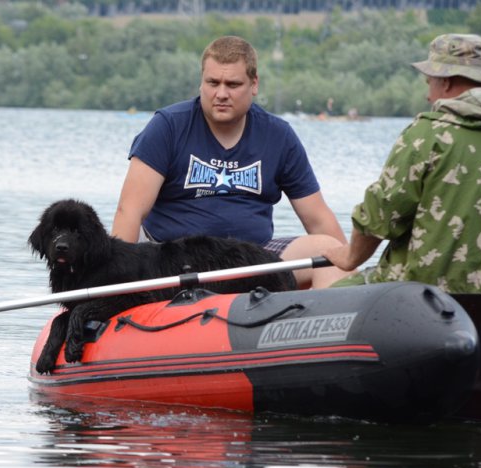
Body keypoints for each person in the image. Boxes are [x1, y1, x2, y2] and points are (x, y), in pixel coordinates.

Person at [111, 36, 349, 289]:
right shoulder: (167, 127)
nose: (221, 94)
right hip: (174, 261)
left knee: (330, 251)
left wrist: (351, 269)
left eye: (233, 84)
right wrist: (117, 284)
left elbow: (319, 220)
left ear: (254, 84)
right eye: (213, 83)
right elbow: (129, 211)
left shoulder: (279, 136)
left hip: (253, 258)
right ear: (201, 81)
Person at [324, 33, 481, 293]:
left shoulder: (427, 134)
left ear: (445, 83)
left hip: (421, 293)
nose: (428, 96)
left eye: (429, 83)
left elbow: (380, 215)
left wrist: (349, 257)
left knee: (321, 302)